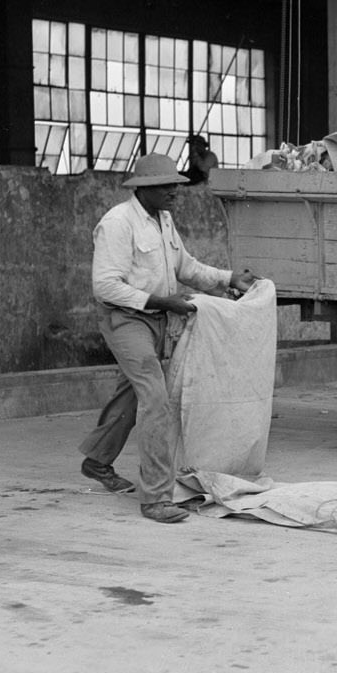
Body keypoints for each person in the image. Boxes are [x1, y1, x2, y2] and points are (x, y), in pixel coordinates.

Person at [78, 153, 259, 523]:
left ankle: (97, 460)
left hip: (157, 316)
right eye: (168, 186)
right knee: (156, 399)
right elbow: (106, 286)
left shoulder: (163, 220)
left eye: (176, 184)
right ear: (145, 189)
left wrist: (228, 279)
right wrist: (161, 301)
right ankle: (156, 498)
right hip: (125, 318)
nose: (176, 190)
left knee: (133, 392)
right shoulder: (117, 224)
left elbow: (185, 267)